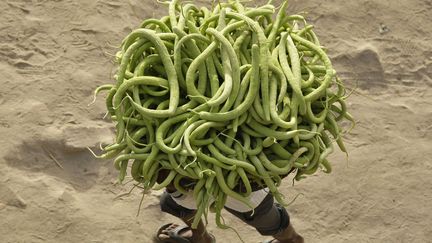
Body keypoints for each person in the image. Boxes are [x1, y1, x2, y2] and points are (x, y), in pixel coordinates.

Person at [154, 176, 304, 243]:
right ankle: (200, 237)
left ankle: (291, 240)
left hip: (245, 181)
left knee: (263, 216)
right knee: (176, 200)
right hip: (189, 179)